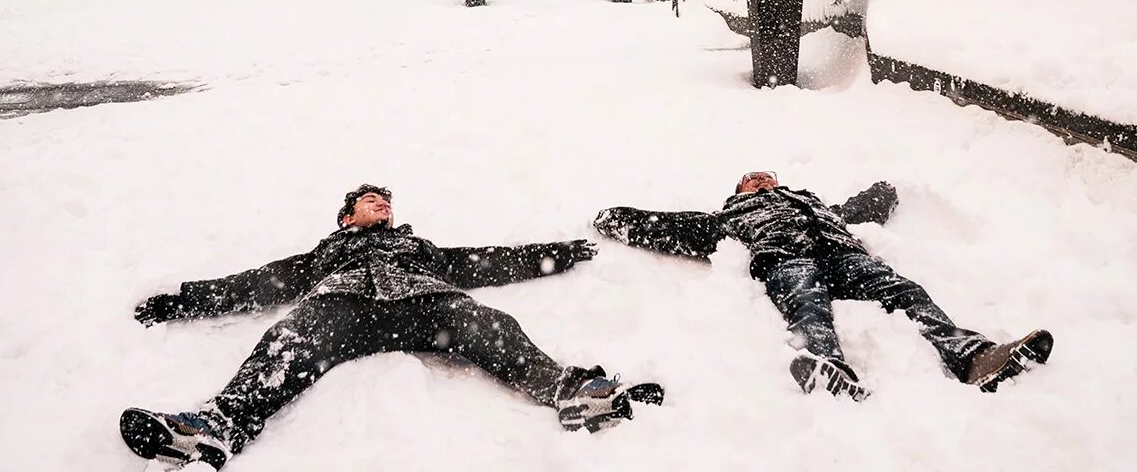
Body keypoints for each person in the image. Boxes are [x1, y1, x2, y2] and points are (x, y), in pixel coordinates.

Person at [122, 185, 662, 469]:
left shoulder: (418, 248)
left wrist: (556, 253)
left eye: (385, 201)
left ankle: (573, 394)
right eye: (369, 201)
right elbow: (261, 282)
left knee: (488, 321)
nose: (381, 204)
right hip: (345, 309)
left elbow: (483, 260)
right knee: (291, 336)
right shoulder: (325, 255)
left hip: (426, 306)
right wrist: (182, 301)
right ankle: (215, 428)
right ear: (346, 218)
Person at [594, 171, 1053, 401]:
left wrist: (885, 190)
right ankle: (828, 367)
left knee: (905, 291)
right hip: (787, 260)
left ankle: (973, 357)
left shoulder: (817, 205)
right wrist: (614, 219)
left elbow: (861, 208)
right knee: (806, 303)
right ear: (738, 193)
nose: (761, 180)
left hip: (847, 258)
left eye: (767, 175)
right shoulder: (729, 218)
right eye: (751, 179)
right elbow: (671, 227)